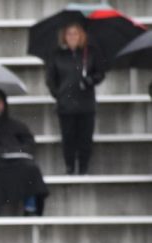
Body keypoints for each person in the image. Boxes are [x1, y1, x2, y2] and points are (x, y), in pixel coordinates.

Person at [0, 89, 49, 216]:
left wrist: (16, 150)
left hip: (16, 161)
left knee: (31, 168)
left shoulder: (16, 125)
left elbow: (29, 143)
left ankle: (30, 208)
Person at [45, 22, 104, 175]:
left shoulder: (89, 53)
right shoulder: (57, 55)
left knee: (85, 138)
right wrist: (58, 94)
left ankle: (83, 167)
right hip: (66, 105)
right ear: (64, 36)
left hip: (86, 104)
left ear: (81, 36)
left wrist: (89, 81)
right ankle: (70, 167)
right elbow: (51, 79)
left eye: (75, 33)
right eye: (69, 34)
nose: (72, 37)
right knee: (68, 138)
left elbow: (100, 73)